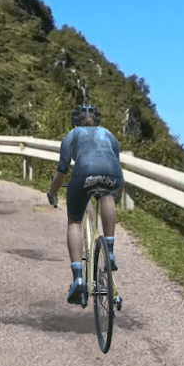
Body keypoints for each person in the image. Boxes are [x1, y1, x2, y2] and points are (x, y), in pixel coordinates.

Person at [46, 104, 125, 305]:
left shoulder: (71, 136)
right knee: (107, 195)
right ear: (98, 122)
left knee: (74, 221)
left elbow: (61, 172)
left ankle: (78, 279)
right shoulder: (109, 135)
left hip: (83, 177)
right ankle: (110, 252)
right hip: (113, 177)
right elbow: (116, 167)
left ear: (74, 123)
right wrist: (118, 194)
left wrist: (52, 193)